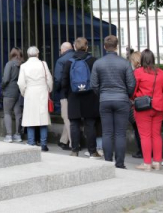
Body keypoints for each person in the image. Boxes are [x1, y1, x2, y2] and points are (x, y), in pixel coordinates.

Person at [91, 35, 135, 169]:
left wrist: (102, 94)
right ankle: (120, 163)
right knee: (120, 133)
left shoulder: (98, 63)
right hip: (121, 99)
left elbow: (94, 84)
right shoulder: (125, 63)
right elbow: (131, 84)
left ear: (104, 47)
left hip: (105, 99)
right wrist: (126, 94)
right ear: (117, 46)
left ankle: (108, 162)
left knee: (107, 132)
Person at [61, 37, 102, 159]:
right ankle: (92, 151)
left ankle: (74, 150)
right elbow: (98, 80)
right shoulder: (94, 61)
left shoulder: (69, 62)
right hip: (90, 97)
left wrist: (68, 93)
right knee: (90, 124)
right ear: (87, 47)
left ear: (74, 47)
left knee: (74, 124)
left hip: (74, 97)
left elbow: (64, 82)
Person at [132, 49, 163, 171]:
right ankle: (157, 162)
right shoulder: (161, 73)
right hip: (159, 106)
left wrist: (137, 96)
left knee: (145, 136)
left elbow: (132, 91)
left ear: (142, 59)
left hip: (143, 107)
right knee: (156, 135)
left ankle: (147, 163)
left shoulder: (138, 72)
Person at [18, 46, 54, 150]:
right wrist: (49, 89)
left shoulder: (24, 66)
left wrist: (24, 92)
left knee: (30, 119)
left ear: (28, 54)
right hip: (42, 92)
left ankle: (31, 142)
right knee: (43, 119)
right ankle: (43, 144)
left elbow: (21, 83)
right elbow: (49, 79)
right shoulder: (43, 64)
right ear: (38, 54)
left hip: (30, 92)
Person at [54, 42, 74, 150]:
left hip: (65, 92)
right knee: (71, 117)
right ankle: (63, 140)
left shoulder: (61, 60)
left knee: (66, 117)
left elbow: (57, 79)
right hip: (76, 92)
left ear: (63, 50)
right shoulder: (76, 56)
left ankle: (73, 143)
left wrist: (56, 90)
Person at [2, 48, 24, 143]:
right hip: (18, 91)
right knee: (18, 113)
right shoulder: (22, 65)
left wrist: (2, 86)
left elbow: (6, 79)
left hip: (9, 91)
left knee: (7, 113)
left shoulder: (9, 64)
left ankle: (9, 135)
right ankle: (18, 135)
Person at [128, 51, 143, 158]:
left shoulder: (136, 73)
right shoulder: (152, 71)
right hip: (150, 103)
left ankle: (141, 150)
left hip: (137, 104)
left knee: (138, 129)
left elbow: (132, 90)